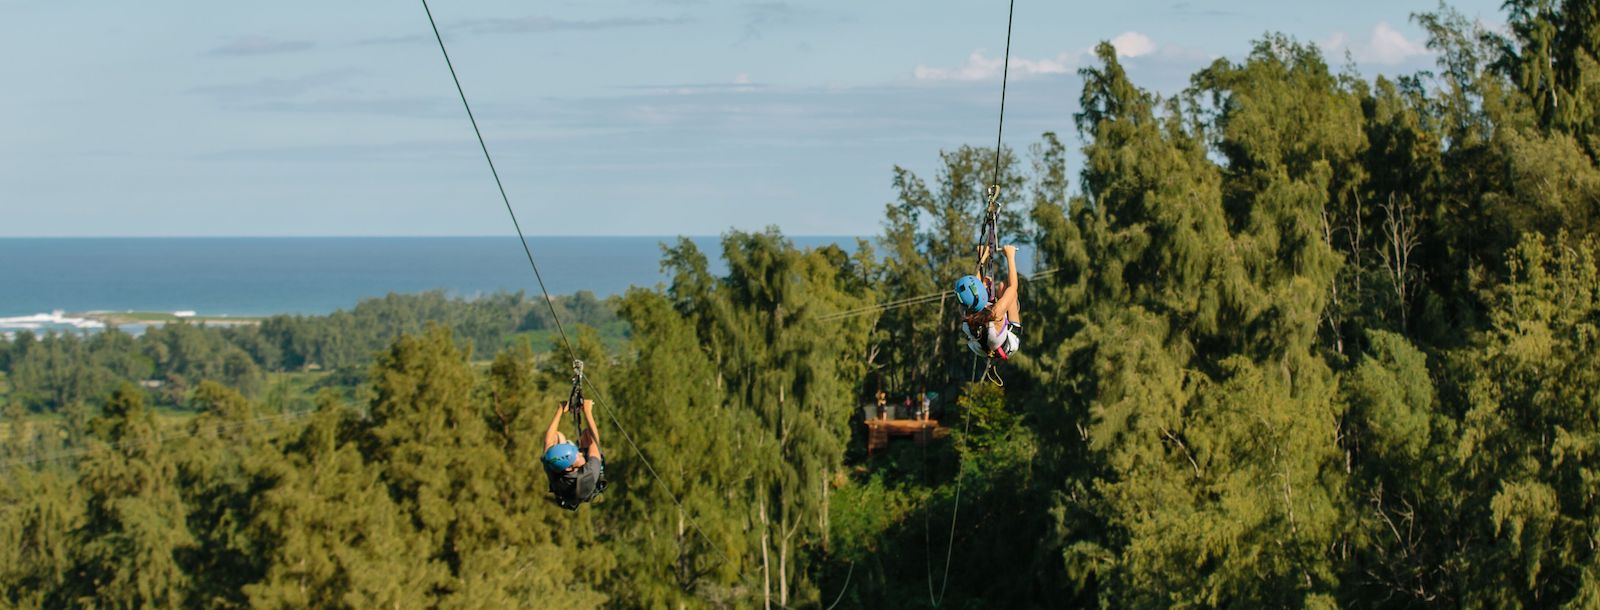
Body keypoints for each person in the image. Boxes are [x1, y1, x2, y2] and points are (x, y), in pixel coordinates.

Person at [954, 244, 1022, 359]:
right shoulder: (996, 312)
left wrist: (982, 257)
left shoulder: (967, 308)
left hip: (981, 347)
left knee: (1001, 288)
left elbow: (973, 286)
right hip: (1007, 346)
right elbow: (1013, 286)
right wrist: (1010, 256)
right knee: (1003, 288)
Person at [542, 398, 605, 509]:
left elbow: (549, 440)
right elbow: (595, 440)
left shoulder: (551, 463)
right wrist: (588, 412)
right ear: (569, 468)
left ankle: (567, 449)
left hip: (566, 481)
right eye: (577, 455)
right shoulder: (589, 472)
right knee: (587, 434)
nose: (580, 454)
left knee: (558, 436)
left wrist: (560, 410)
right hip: (582, 484)